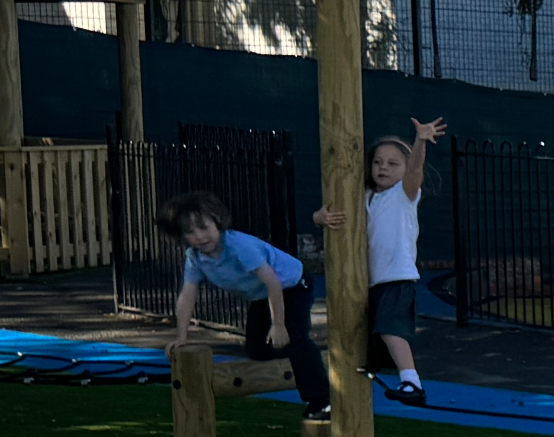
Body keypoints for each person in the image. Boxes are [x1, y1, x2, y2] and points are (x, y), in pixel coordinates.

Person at [160, 191, 328, 418]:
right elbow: (187, 295)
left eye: (204, 227)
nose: (199, 236)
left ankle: (321, 401)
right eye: (190, 232)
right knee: (257, 349)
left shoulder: (238, 246)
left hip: (292, 286)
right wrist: (181, 337)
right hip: (261, 296)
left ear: (217, 223)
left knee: (295, 337)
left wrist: (278, 325)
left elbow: (273, 282)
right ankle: (301, 361)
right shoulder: (195, 257)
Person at [315, 116, 445, 404]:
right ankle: (372, 369)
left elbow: (415, 169)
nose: (382, 168)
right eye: (378, 162)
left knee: (390, 327)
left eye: (392, 164)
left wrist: (420, 141)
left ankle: (412, 381)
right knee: (370, 332)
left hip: (397, 276)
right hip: (371, 280)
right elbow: (330, 214)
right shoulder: (364, 197)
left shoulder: (404, 195)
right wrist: (318, 217)